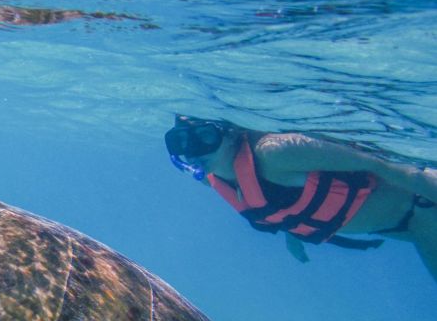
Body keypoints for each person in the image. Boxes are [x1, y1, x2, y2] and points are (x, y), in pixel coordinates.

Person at [164, 115, 437, 282]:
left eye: (204, 137)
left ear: (231, 132)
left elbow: (381, 165)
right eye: (181, 142)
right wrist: (292, 234)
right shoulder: (215, 177)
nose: (194, 150)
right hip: (403, 228)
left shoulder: (275, 154)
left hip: (424, 208)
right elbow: (282, 203)